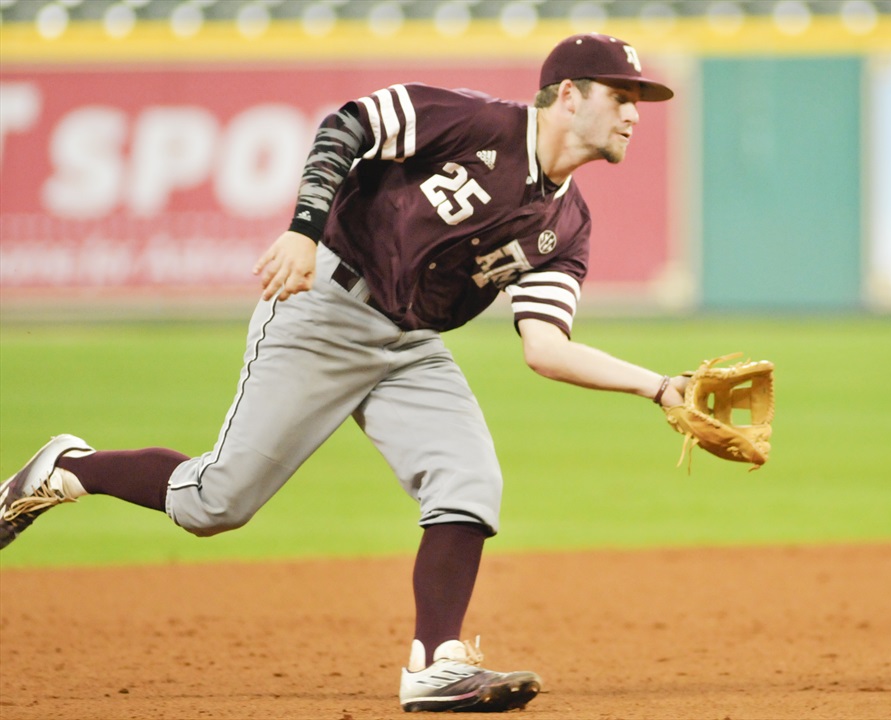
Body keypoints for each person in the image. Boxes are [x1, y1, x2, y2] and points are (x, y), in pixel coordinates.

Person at [0, 33, 683, 714]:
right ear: (569, 95)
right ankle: (70, 468)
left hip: (410, 344)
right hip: (325, 306)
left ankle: (434, 662)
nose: (634, 114)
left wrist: (659, 387)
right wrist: (303, 228)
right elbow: (347, 125)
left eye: (638, 102)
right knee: (214, 505)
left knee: (469, 478)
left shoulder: (567, 224)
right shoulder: (475, 122)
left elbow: (545, 345)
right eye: (621, 96)